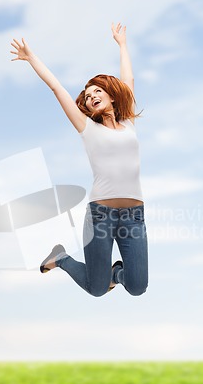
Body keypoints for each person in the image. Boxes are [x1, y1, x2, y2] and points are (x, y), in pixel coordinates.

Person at [10, 23, 148, 297]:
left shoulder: (128, 122)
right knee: (96, 289)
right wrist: (31, 58)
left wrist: (122, 44)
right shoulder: (87, 128)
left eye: (97, 91)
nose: (92, 96)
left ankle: (116, 272)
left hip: (134, 216)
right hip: (101, 216)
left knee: (137, 287)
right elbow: (56, 87)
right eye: (87, 96)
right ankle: (61, 257)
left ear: (111, 94)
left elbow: (128, 79)